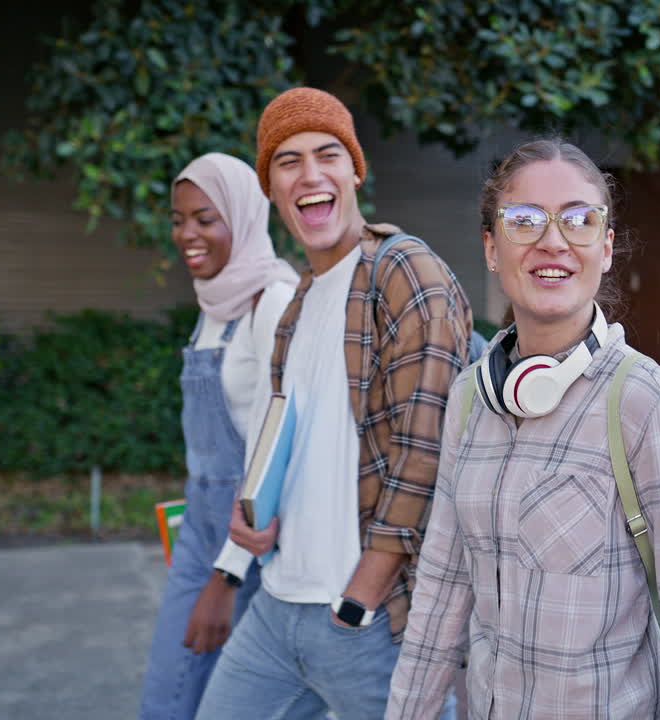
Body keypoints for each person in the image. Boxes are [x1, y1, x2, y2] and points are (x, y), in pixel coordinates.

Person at [385, 139, 660, 719]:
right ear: (491, 247)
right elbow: (440, 595)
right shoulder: (467, 403)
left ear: (605, 250)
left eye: (580, 220)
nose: (552, 240)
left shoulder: (650, 408)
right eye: (524, 220)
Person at [194, 87, 470, 720]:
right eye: (288, 162)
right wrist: (256, 513)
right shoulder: (295, 305)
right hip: (275, 608)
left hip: (367, 621)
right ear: (270, 187)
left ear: (354, 170)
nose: (310, 175)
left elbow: (424, 451)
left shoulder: (402, 270)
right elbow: (293, 444)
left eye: (327, 155)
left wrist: (360, 596)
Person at [139, 152, 301, 720]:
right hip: (199, 526)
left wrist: (226, 576)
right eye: (179, 219)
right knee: (169, 692)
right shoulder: (212, 303)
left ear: (244, 216)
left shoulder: (272, 301)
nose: (188, 234)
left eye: (205, 218)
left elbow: (271, 456)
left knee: (230, 703)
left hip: (253, 535)